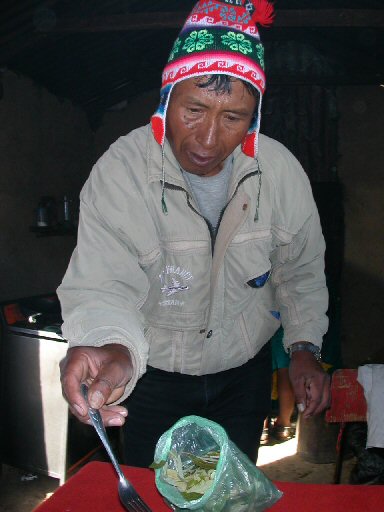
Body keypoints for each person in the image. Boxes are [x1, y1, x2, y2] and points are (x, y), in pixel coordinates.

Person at [58, 0, 330, 467]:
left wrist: (304, 347)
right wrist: (111, 345)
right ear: (167, 98)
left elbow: (299, 270)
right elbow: (104, 283)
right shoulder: (121, 172)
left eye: (233, 118)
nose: (208, 140)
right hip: (152, 376)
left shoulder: (281, 173)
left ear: (255, 117)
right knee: (155, 488)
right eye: (194, 110)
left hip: (245, 376)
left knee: (231, 487)